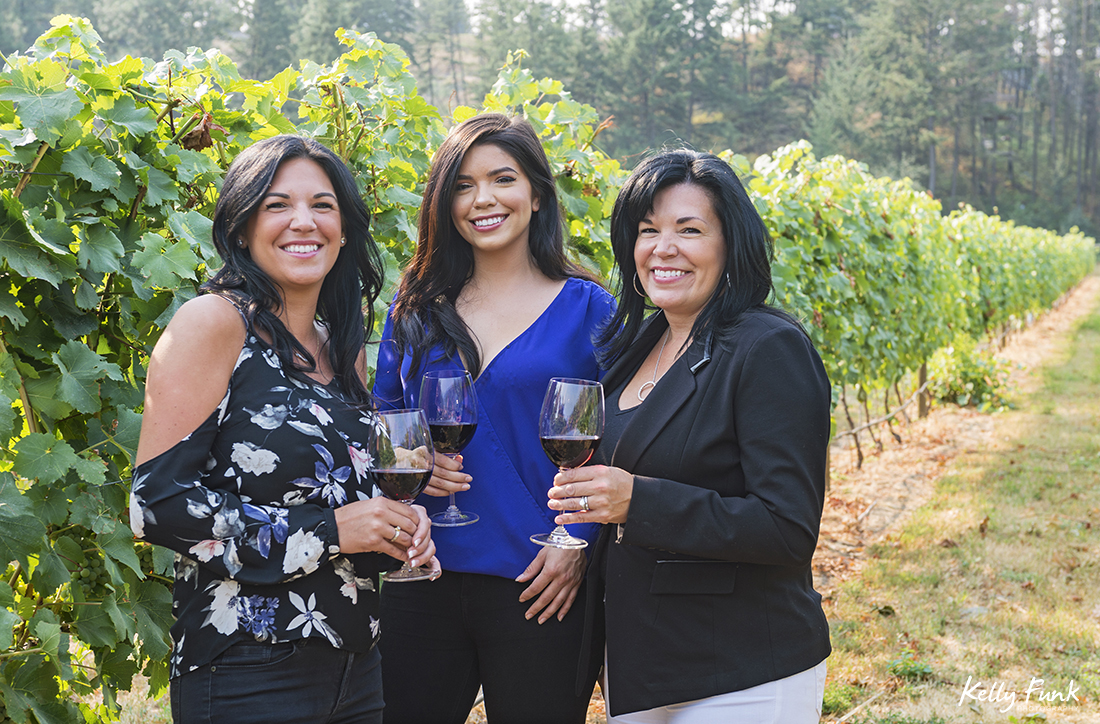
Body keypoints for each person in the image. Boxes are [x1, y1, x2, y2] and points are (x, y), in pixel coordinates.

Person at [130, 135, 438, 724]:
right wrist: (330, 530)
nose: (305, 221)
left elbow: (336, 498)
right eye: (277, 205)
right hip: (246, 665)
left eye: (323, 205)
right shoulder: (213, 323)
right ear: (242, 227)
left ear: (344, 228)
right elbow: (156, 505)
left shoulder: (337, 347)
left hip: (355, 664)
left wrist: (396, 520)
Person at [548, 149, 832, 722]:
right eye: (648, 230)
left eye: (689, 229)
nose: (663, 248)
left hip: (740, 668)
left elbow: (787, 527)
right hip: (640, 666)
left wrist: (638, 501)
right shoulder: (635, 347)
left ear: (731, 244)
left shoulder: (765, 347)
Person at [373, 113, 614, 723]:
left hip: (542, 577)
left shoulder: (591, 308)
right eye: (462, 184)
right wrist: (412, 469)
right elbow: (385, 417)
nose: (482, 199)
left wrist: (577, 543)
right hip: (420, 572)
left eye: (502, 178)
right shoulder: (416, 308)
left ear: (536, 194)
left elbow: (623, 441)